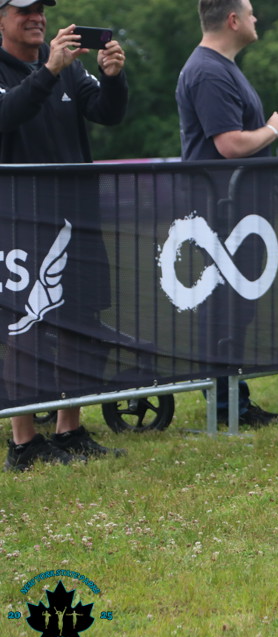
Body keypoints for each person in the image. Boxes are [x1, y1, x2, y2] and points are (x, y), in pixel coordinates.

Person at [176, 0, 278, 427]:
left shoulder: (222, 67)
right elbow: (229, 144)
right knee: (226, 309)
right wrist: (273, 129)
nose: (257, 19)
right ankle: (225, 406)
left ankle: (231, 400)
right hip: (223, 209)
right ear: (233, 20)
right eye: (251, 12)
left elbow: (241, 135)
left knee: (237, 308)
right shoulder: (208, 71)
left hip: (237, 209)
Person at [1, 0, 128, 471]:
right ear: (0, 19)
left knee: (83, 324)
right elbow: (7, 115)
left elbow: (108, 114)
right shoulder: (43, 67)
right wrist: (49, 71)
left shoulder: (69, 67)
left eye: (40, 10)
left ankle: (68, 429)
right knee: (27, 326)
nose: (36, 17)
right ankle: (23, 442)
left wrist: (113, 78)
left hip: (78, 216)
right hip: (21, 219)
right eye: (24, 11)